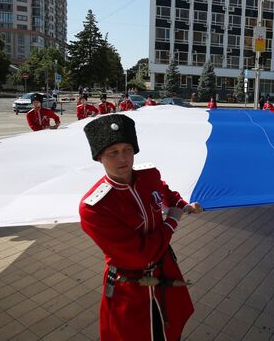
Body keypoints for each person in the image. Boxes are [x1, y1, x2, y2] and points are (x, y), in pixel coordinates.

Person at [79, 114, 202, 341]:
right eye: (112, 152)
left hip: (164, 271)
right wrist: (173, 220)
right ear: (99, 158)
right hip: (129, 286)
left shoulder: (148, 175)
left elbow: (164, 191)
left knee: (169, 328)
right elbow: (140, 256)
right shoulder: (94, 208)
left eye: (127, 149)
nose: (123, 158)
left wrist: (181, 204)